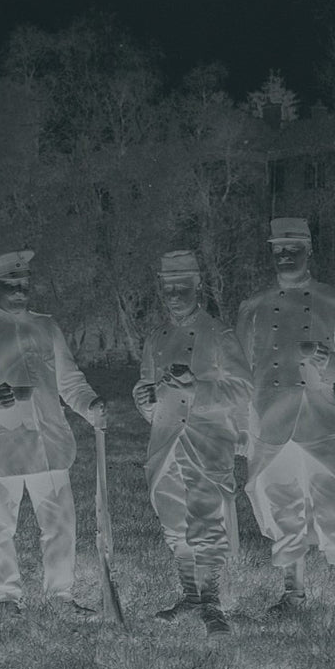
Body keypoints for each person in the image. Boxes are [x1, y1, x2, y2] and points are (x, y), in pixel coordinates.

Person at [0, 250, 108, 616]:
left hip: (48, 444)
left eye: (24, 284)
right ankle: (5, 594)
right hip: (0, 448)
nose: (19, 291)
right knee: (1, 525)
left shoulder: (47, 327)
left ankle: (61, 595)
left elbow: (70, 381)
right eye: (10, 284)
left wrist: (91, 404)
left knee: (61, 523)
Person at [236, 217, 335, 617]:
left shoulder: (332, 302)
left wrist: (330, 361)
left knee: (334, 506)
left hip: (319, 423)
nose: (285, 255)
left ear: (309, 250)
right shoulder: (253, 308)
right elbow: (239, 374)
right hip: (269, 424)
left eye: (293, 248)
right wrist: (242, 429)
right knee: (283, 507)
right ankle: (292, 593)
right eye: (278, 248)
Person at [134, 250, 253, 636]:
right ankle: (189, 594)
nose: (173, 294)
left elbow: (241, 388)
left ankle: (211, 602)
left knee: (205, 521)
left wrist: (196, 387)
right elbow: (147, 385)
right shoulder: (155, 337)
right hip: (165, 441)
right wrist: (144, 398)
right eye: (168, 287)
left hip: (207, 441)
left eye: (181, 286)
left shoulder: (219, 333)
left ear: (197, 286)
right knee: (173, 519)